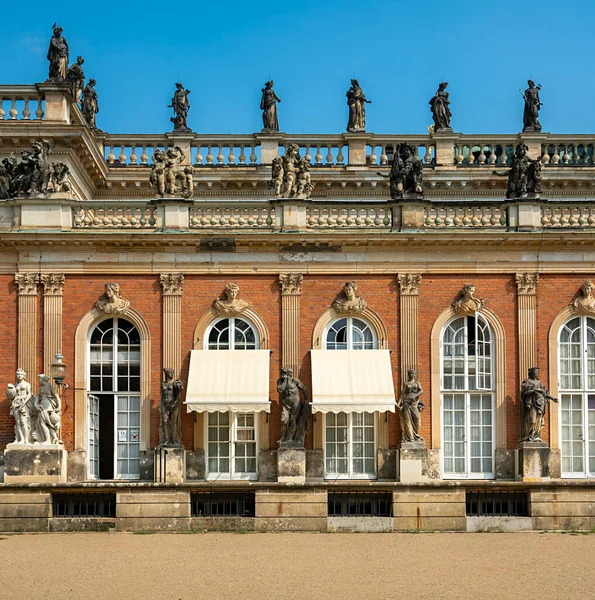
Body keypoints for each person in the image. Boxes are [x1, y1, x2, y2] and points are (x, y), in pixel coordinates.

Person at [520, 367, 557, 442]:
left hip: (540, 404)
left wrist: (553, 398)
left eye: (537, 373)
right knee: (532, 420)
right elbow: (524, 392)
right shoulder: (527, 381)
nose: (537, 374)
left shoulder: (538, 382)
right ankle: (528, 436)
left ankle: (535, 436)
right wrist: (534, 390)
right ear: (532, 373)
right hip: (532, 404)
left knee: (539, 421)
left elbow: (544, 393)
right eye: (536, 372)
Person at [277, 368, 309, 446]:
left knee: (293, 419)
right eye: (282, 373)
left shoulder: (295, 381)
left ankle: (290, 438)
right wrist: (285, 381)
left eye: (285, 373)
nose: (282, 375)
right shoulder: (280, 381)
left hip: (295, 402)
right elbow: (280, 390)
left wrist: (306, 399)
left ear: (289, 374)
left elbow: (304, 388)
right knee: (284, 419)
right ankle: (283, 437)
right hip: (285, 402)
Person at [33, 374, 62, 445]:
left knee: (44, 423)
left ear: (43, 379)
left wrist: (59, 407)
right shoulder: (41, 387)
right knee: (45, 423)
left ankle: (48, 440)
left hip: (47, 405)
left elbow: (57, 396)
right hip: (42, 405)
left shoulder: (49, 386)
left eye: (39, 379)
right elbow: (37, 396)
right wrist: (35, 404)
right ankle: (53, 438)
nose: (38, 381)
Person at [7, 369, 34, 444]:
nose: (19, 376)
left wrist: (24, 402)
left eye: (21, 374)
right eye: (17, 374)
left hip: (24, 403)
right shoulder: (15, 385)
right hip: (16, 402)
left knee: (23, 421)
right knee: (18, 422)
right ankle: (20, 439)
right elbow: (12, 395)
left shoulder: (27, 384)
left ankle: (26, 440)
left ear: (24, 376)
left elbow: (29, 394)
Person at [159, 368, 184, 448]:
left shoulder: (175, 383)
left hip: (174, 405)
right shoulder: (163, 384)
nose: (172, 374)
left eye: (173, 373)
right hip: (164, 405)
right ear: (166, 374)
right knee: (165, 422)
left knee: (174, 422)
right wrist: (161, 406)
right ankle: (166, 440)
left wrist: (180, 386)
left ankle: (174, 440)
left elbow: (180, 388)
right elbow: (162, 396)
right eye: (170, 373)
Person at [398, 370, 425, 443]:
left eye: (413, 373)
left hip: (414, 403)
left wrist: (415, 395)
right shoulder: (406, 383)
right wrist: (399, 403)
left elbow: (421, 391)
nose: (412, 375)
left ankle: (416, 435)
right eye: (411, 374)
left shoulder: (417, 383)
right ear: (408, 375)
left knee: (416, 418)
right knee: (407, 421)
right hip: (406, 403)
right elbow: (402, 393)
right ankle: (410, 438)